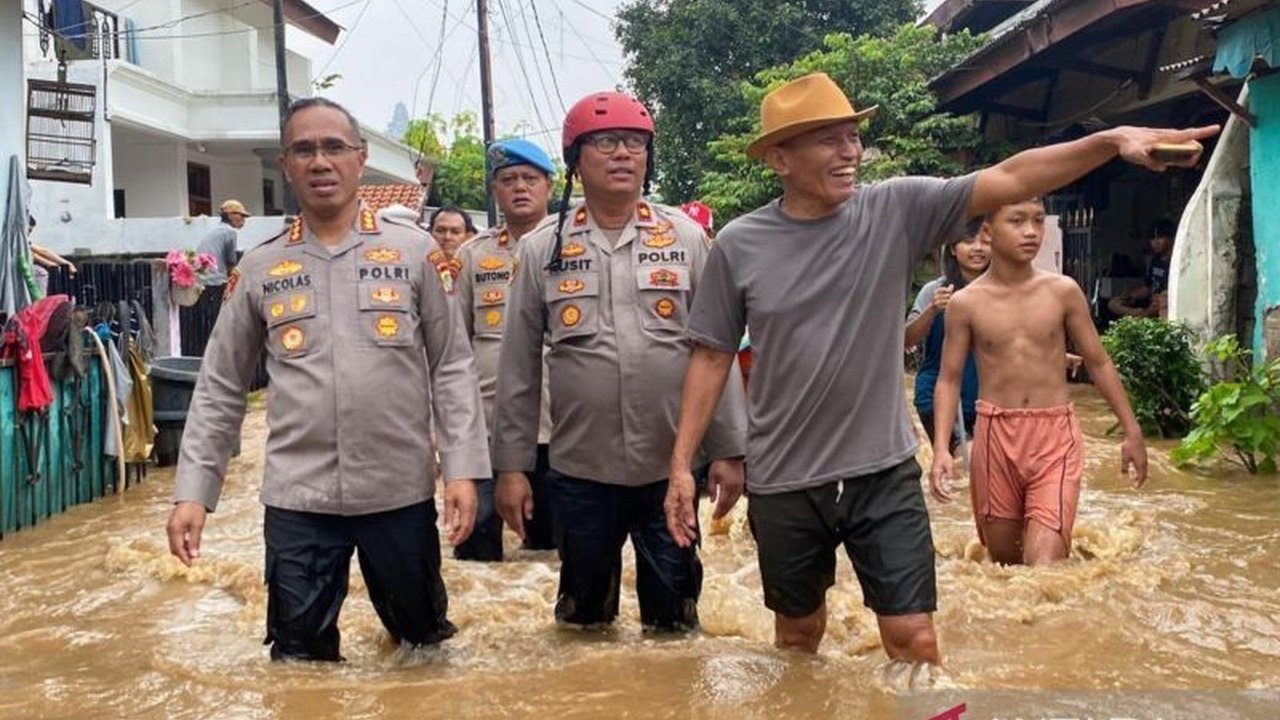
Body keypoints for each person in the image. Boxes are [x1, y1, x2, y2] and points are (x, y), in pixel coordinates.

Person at [663, 71, 1214, 662]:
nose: (850, 152)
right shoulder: (741, 244)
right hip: (785, 481)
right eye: (829, 139)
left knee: (916, 640)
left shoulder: (895, 209)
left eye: (853, 137)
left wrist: (1110, 142)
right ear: (779, 157)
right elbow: (712, 355)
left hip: (883, 471)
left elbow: (1011, 176)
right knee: (798, 639)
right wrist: (682, 465)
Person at [165, 97, 490, 662]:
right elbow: (220, 387)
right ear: (286, 164)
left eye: (334, 147)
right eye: (304, 149)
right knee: (299, 663)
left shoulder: (414, 254)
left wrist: (462, 470)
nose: (321, 161)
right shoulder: (261, 267)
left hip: (400, 493)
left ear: (360, 159)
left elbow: (453, 366)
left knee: (423, 650)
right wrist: (194, 492)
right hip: (299, 500)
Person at [492, 91, 748, 632]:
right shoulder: (543, 249)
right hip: (581, 472)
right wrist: (511, 469)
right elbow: (516, 370)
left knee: (675, 622)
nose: (623, 155)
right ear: (575, 161)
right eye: (605, 143)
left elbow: (715, 351)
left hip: (670, 470)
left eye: (634, 143)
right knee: (583, 623)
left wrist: (729, 450)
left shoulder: (685, 238)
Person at [929, 198, 1149, 566]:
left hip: (1054, 435)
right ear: (988, 231)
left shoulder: (1062, 291)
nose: (1031, 232)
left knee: (1044, 567)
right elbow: (948, 380)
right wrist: (939, 450)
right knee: (1003, 565)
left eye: (1036, 221)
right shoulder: (966, 303)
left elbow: (1098, 361)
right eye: (1017, 221)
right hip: (994, 435)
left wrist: (1132, 430)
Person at [452, 138, 558, 561]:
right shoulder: (471, 256)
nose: (520, 187)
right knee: (476, 552)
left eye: (530, 179)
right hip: (485, 425)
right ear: (495, 190)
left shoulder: (572, 246)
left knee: (550, 552)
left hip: (557, 426)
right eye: (508, 179)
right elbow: (453, 347)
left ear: (549, 186)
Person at [906, 221, 988, 451]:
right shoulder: (934, 291)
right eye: (969, 241)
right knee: (965, 462)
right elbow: (907, 340)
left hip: (986, 400)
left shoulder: (1001, 293)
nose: (978, 248)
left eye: (985, 242)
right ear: (952, 248)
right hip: (936, 396)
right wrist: (933, 309)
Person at [1107, 219, 1175, 318]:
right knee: (1113, 303)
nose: (1155, 242)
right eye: (1152, 238)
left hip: (1162, 303)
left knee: (1161, 301)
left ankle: (1141, 317)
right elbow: (1147, 288)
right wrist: (1131, 296)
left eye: (1160, 237)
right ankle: (1139, 315)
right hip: (1149, 303)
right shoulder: (1155, 260)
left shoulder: (1173, 262)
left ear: (1171, 238)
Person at [197, 199, 249, 285]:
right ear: (230, 215)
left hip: (202, 280)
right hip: (216, 281)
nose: (243, 220)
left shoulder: (215, 230)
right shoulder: (230, 232)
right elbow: (231, 263)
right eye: (241, 216)